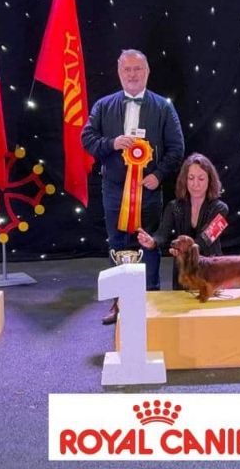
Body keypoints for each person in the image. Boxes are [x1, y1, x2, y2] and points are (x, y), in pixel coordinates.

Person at [82, 49, 185, 325]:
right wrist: (111, 143)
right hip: (113, 190)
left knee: (148, 244)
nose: (132, 74)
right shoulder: (103, 106)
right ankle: (118, 304)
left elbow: (177, 148)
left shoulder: (163, 107)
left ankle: (150, 300)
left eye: (137, 69)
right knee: (117, 245)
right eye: (126, 69)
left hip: (149, 191)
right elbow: (86, 139)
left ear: (147, 72)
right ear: (119, 73)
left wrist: (158, 175)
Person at [137, 153, 229, 290]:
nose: (195, 184)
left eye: (201, 178)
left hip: (211, 272)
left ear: (210, 180)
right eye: (191, 178)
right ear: (184, 180)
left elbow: (205, 240)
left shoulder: (221, 209)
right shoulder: (173, 206)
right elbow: (162, 234)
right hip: (183, 272)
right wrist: (153, 241)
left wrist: (182, 250)